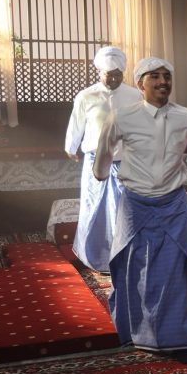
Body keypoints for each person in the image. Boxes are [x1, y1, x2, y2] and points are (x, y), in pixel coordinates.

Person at [93, 57, 187, 364]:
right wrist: (100, 174)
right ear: (140, 83)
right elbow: (104, 150)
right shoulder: (122, 116)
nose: (162, 82)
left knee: (175, 271)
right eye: (154, 76)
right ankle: (137, 332)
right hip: (135, 204)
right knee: (134, 268)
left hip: (173, 204)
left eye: (166, 76)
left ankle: (178, 340)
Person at [64, 46, 142, 273]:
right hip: (95, 162)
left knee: (124, 210)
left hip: (125, 161)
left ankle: (125, 256)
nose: (114, 79)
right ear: (99, 72)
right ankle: (94, 257)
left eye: (118, 74)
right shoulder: (86, 96)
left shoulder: (135, 95)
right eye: (109, 75)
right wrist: (71, 147)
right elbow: (76, 123)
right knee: (94, 208)